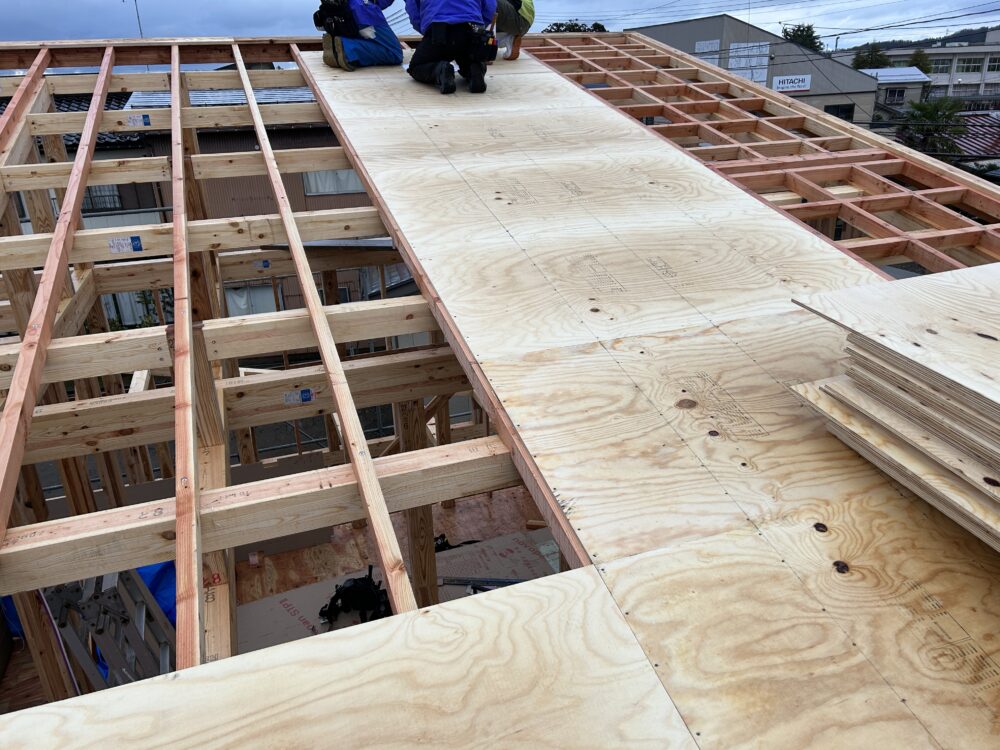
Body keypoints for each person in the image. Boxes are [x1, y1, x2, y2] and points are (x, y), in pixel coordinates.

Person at [405, 0, 497, 94]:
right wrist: (479, 28)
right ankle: (474, 69)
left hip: (439, 31)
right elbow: (490, 6)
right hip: (470, 29)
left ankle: (440, 70)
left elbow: (413, 11)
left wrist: (427, 31)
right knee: (470, 58)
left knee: (416, 66)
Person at [314, 0, 404, 72]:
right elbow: (412, 8)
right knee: (394, 54)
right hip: (363, 12)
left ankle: (337, 46)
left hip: (339, 15)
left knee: (365, 36)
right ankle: (347, 48)